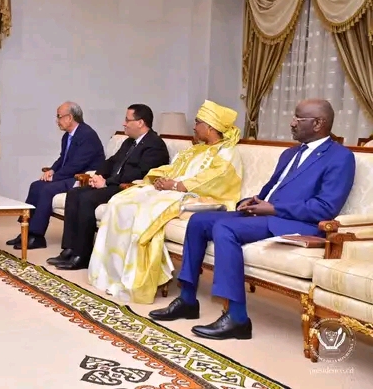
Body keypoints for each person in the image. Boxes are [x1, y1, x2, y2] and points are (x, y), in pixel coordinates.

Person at [149, 99, 356, 340]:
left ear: (318, 123)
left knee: (225, 227)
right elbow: (271, 190)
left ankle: (237, 318)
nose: (292, 123)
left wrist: (273, 208)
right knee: (199, 221)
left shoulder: (340, 157)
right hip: (267, 213)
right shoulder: (290, 153)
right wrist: (251, 201)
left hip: (297, 223)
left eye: (298, 119)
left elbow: (325, 207)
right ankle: (187, 300)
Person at [88, 100, 243, 305]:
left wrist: (177, 185)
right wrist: (159, 179)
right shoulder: (194, 149)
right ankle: (110, 273)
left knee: (144, 211)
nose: (194, 126)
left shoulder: (227, 152)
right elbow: (172, 168)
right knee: (120, 201)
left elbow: (215, 180)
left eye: (198, 122)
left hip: (199, 196)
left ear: (211, 127)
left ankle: (134, 278)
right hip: (173, 190)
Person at [48, 104, 170, 270]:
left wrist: (106, 182)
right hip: (112, 183)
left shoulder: (155, 145)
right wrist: (97, 175)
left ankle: (83, 255)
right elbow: (111, 161)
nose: (124, 123)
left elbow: (140, 174)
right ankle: (70, 249)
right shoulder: (129, 142)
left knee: (86, 199)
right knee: (74, 193)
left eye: (127, 120)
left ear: (140, 122)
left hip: (128, 189)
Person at [6, 102, 105, 250]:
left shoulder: (87, 135)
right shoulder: (67, 136)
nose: (57, 120)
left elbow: (77, 165)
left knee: (47, 189)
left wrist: (56, 177)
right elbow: (62, 159)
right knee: (36, 186)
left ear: (69, 117)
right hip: (69, 175)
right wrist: (52, 170)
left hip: (82, 178)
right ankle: (26, 230)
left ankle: (37, 236)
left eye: (59, 116)